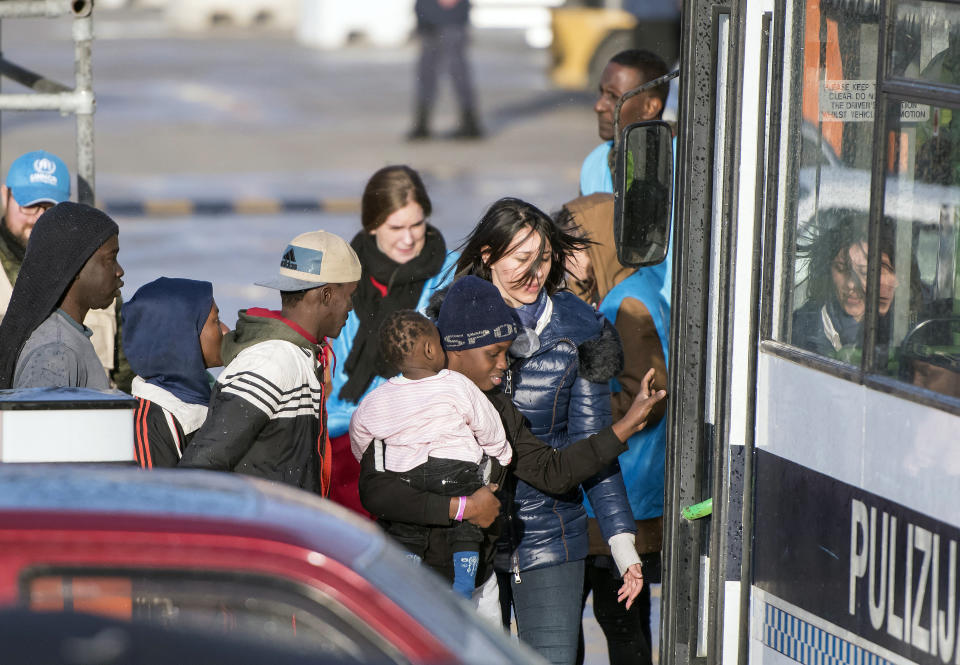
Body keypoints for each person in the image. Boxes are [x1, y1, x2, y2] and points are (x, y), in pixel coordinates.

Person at [358, 275, 665, 623]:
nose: (505, 364)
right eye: (494, 353)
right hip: (406, 587)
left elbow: (553, 471)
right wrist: (462, 508)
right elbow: (376, 493)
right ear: (456, 348)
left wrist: (622, 428)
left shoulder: (497, 410)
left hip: (475, 587)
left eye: (507, 352)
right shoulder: (396, 404)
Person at [452, 197, 641, 665]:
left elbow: (594, 448)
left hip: (551, 537)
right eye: (521, 260)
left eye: (544, 259)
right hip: (471, 535)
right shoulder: (453, 325)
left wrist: (621, 542)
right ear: (489, 257)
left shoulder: (580, 332)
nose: (534, 273)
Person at [560, 194, 669, 665]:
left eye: (573, 248)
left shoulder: (629, 304)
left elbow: (648, 396)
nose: (564, 261)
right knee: (626, 614)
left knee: (615, 614)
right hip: (625, 487)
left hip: (621, 488)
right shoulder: (636, 287)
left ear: (598, 243)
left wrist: (570, 410)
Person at [179, 230, 361, 496]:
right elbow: (201, 465)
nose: (352, 306)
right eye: (349, 295)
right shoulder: (271, 361)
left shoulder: (299, 355)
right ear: (326, 295)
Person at [350, 308, 513, 598]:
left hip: (404, 475)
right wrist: (500, 456)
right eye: (439, 344)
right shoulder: (454, 383)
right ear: (429, 348)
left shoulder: (377, 399)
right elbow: (487, 424)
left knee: (406, 528)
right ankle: (464, 579)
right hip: (453, 471)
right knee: (467, 526)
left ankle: (409, 570)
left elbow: (361, 438)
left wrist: (379, 461)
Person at [327, 165, 459, 515]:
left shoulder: (449, 273)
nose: (409, 238)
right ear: (372, 226)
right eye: (396, 227)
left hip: (416, 439)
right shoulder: (344, 271)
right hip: (343, 431)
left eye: (417, 224)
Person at [0, 150, 132, 391]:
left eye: (50, 208)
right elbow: (40, 422)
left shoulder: (105, 283)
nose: (39, 217)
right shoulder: (53, 354)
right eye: (30, 206)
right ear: (4, 196)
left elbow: (125, 377)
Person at [122, 277, 229, 468]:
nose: (226, 330)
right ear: (183, 335)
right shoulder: (150, 422)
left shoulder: (207, 392)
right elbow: (154, 493)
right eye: (216, 321)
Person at [791, 217, 899, 362]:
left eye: (866, 272)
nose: (851, 284)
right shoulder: (797, 328)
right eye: (841, 269)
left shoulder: (904, 329)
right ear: (827, 269)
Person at [408, 0, 483, 140]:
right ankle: (422, 125)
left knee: (458, 72)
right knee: (426, 73)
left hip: (449, 19)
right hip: (427, 19)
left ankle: (471, 124)